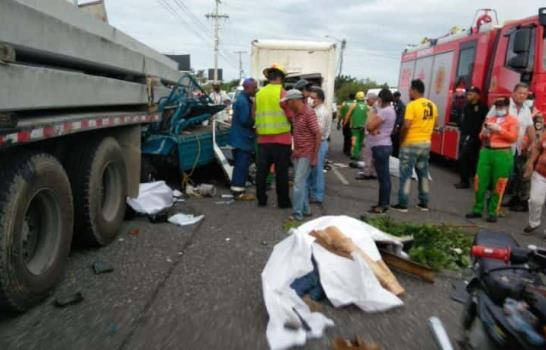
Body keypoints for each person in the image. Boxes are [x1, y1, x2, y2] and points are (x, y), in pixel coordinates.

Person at [466, 97, 519, 223]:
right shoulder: (490, 119)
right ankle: (477, 209)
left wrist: (499, 130)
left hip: (502, 153)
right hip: (486, 151)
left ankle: (493, 211)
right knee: (480, 181)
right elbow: (480, 136)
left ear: (507, 106)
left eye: (502, 106)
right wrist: (485, 132)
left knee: (499, 183)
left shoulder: (513, 121)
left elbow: (513, 138)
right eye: (498, 106)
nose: (499, 108)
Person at [392, 79, 438, 212]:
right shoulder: (432, 105)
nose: (409, 93)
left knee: (406, 173)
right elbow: (435, 123)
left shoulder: (412, 105)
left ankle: (403, 203)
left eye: (409, 90)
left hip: (411, 143)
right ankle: (424, 202)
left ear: (414, 90)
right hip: (425, 143)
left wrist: (401, 139)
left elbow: (406, 125)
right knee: (423, 173)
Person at [489, 83, 534, 211]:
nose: (522, 96)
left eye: (525, 94)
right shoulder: (502, 104)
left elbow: (530, 127)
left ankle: (501, 202)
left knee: (512, 177)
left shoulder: (526, 109)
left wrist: (532, 144)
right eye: (520, 93)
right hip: (501, 148)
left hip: (516, 149)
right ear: (513, 93)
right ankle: (494, 205)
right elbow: (488, 122)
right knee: (501, 177)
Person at [255, 64, 292, 209]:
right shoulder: (283, 94)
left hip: (263, 140)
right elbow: (290, 114)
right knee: (281, 173)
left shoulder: (259, 94)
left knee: (262, 172)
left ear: (268, 78)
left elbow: (254, 114)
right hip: (281, 140)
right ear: (282, 78)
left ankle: (261, 200)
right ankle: (283, 202)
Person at [282, 89, 321, 221]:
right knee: (301, 183)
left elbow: (318, 134)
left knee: (298, 183)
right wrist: (295, 151)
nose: (286, 105)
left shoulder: (308, 113)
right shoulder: (295, 113)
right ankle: (305, 209)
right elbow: (280, 105)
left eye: (288, 102)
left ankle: (297, 213)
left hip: (307, 153)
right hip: (299, 153)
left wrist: (315, 157)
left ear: (294, 101)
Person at [366, 88, 397, 213]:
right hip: (384, 145)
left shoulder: (385, 112)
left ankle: (383, 205)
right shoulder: (390, 110)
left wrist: (371, 127)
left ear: (381, 99)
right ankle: (382, 203)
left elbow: (370, 126)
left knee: (383, 177)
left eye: (378, 99)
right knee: (384, 177)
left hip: (381, 146)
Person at [229, 78, 258, 200]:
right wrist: (256, 120)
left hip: (239, 137)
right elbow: (246, 120)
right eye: (255, 87)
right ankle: (238, 192)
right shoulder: (244, 102)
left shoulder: (243, 99)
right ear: (248, 87)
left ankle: (238, 188)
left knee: (240, 164)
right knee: (241, 165)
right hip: (242, 138)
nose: (256, 90)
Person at [454, 86, 488, 189]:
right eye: (468, 94)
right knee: (464, 158)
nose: (469, 96)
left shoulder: (483, 107)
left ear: (477, 96)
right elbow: (462, 119)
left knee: (468, 158)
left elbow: (484, 122)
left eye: (471, 94)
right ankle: (465, 179)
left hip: (475, 137)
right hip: (465, 135)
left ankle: (466, 181)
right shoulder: (466, 106)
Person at [308, 87, 332, 204]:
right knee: (313, 170)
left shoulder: (321, 112)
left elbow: (319, 132)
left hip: (319, 143)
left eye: (313, 98)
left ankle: (317, 195)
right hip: (317, 142)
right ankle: (312, 193)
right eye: (310, 98)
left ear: (320, 99)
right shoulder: (315, 109)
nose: (311, 100)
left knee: (317, 171)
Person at [523, 112, 546, 235]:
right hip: (541, 173)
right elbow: (538, 147)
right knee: (535, 200)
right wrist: (530, 163)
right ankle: (534, 223)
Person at [356, 92, 378, 180]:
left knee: (368, 155)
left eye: (367, 100)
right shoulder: (375, 107)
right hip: (372, 134)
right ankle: (372, 172)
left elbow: (373, 122)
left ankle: (367, 173)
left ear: (372, 99)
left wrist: (368, 130)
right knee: (373, 156)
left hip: (371, 135)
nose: (366, 101)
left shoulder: (376, 108)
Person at [344, 91, 368, 160]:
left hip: (355, 126)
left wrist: (345, 123)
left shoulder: (354, 105)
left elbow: (348, 115)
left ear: (356, 97)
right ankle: (358, 153)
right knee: (360, 141)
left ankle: (355, 155)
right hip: (363, 127)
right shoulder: (366, 106)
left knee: (355, 141)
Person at [391, 91, 406, 158]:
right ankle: (392, 154)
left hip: (398, 128)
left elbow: (401, 117)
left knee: (396, 143)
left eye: (394, 97)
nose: (393, 98)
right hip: (393, 126)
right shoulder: (395, 104)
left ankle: (395, 156)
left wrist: (397, 126)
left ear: (398, 97)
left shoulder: (401, 106)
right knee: (392, 142)